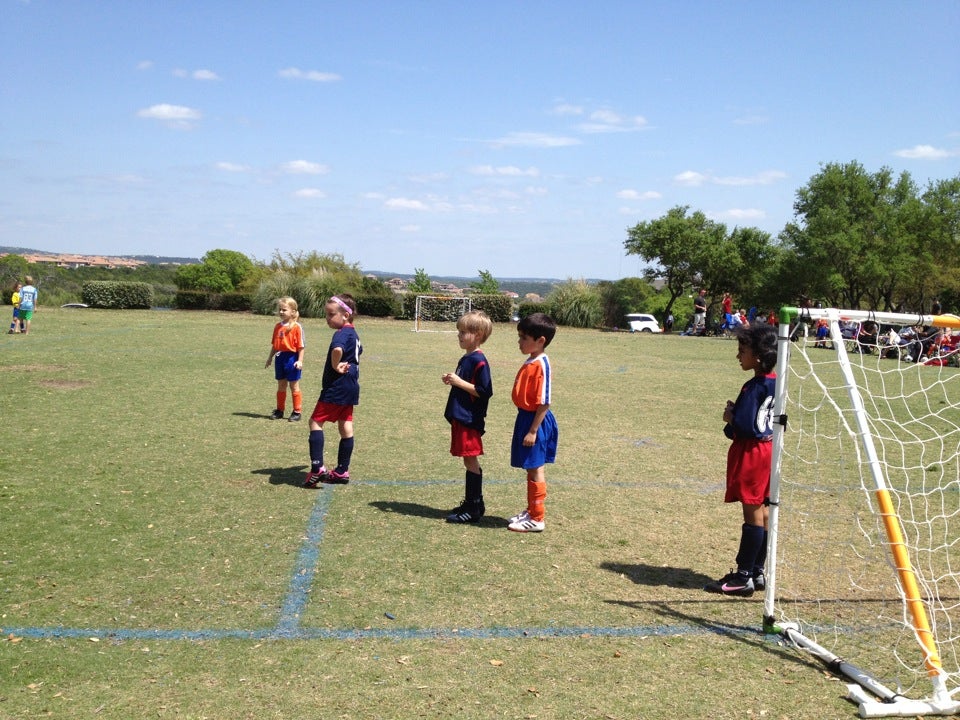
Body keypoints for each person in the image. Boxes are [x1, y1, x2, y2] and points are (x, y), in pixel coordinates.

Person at [704, 323, 778, 596]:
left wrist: (730, 418)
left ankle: (743, 575)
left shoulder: (753, 386)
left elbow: (746, 427)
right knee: (765, 510)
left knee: (752, 512)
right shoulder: (777, 381)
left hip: (752, 453)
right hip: (770, 450)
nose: (738, 356)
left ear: (757, 356)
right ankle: (758, 571)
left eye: (742, 351)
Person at [304, 294, 362, 487]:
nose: (327, 318)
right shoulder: (354, 334)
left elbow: (337, 350)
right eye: (327, 314)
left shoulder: (341, 334)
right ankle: (342, 471)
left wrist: (336, 366)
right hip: (351, 387)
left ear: (345, 315)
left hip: (336, 387)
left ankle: (317, 467)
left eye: (331, 314)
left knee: (315, 422)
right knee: (345, 426)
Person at [508, 312, 559, 533]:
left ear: (540, 341)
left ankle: (537, 518)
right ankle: (531, 510)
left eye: (524, 338)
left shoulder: (542, 364)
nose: (519, 342)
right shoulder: (531, 360)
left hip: (535, 421)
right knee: (530, 466)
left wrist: (533, 430)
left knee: (536, 467)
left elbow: (545, 402)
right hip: (525, 418)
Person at [442, 310, 494, 523]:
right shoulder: (467, 358)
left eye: (464, 332)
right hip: (460, 416)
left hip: (469, 419)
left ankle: (473, 508)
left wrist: (459, 382)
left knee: (470, 459)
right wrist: (453, 380)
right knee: (467, 459)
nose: (459, 335)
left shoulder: (479, 360)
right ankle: (475, 503)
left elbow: (484, 391)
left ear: (478, 335)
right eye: (459, 331)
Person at [265, 297, 305, 421]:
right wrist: (270, 358)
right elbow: (275, 345)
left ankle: (297, 411)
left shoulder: (296, 327)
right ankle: (279, 410)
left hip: (292, 358)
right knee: (281, 385)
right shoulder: (277, 326)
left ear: (293, 312)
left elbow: (301, 346)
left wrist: (300, 361)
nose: (281, 312)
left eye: (284, 310)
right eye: (280, 310)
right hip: (280, 358)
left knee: (294, 385)